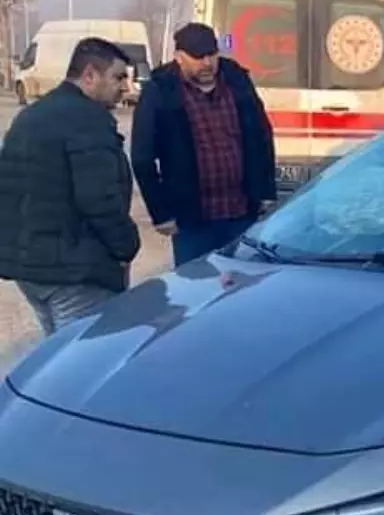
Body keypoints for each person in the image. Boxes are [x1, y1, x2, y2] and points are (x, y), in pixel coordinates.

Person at [0, 37, 140, 334]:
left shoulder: (32, 116)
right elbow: (99, 199)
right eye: (118, 77)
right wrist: (126, 246)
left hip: (32, 270)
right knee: (88, 365)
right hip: (75, 273)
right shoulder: (87, 121)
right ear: (89, 75)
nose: (124, 88)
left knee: (59, 361)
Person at [132, 23, 276, 266]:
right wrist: (161, 213)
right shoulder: (161, 89)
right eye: (198, 57)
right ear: (179, 57)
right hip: (192, 220)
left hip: (241, 213)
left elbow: (261, 135)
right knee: (195, 288)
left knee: (243, 286)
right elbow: (142, 157)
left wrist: (265, 191)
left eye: (212, 54)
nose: (207, 63)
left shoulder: (236, 80)